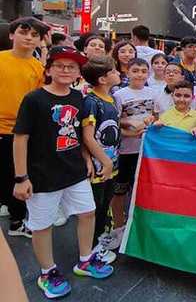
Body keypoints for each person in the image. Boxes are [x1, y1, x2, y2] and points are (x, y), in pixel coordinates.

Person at [12, 46, 113, 299]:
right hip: (42, 175)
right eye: (59, 65)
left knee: (87, 213)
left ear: (79, 72)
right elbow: (20, 139)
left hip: (74, 170)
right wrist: (21, 177)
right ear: (48, 70)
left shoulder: (79, 98)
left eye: (72, 66)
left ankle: (85, 260)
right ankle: (47, 272)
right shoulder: (34, 99)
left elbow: (80, 135)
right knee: (42, 225)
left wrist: (87, 158)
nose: (66, 70)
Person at [0, 17, 49, 238]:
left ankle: (17, 221)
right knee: (5, 174)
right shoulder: (1, 59)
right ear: (12, 35)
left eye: (34, 35)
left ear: (39, 41)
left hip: (24, 132)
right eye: (23, 32)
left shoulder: (38, 67)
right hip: (1, 129)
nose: (29, 38)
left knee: (20, 175)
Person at [107, 58, 155, 250]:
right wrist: (131, 126)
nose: (139, 75)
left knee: (141, 191)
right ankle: (118, 227)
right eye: (135, 71)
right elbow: (114, 121)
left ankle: (138, 227)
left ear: (148, 73)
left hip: (147, 151)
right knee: (119, 191)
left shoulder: (153, 93)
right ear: (127, 73)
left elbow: (158, 116)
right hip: (125, 150)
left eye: (143, 71)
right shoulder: (119, 95)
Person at [80, 56, 122, 265]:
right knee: (95, 207)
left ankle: (99, 240)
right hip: (99, 167)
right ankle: (91, 247)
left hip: (112, 163)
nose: (118, 73)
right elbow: (88, 137)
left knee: (106, 203)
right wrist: (105, 161)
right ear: (102, 79)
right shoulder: (91, 102)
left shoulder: (111, 99)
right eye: (113, 71)